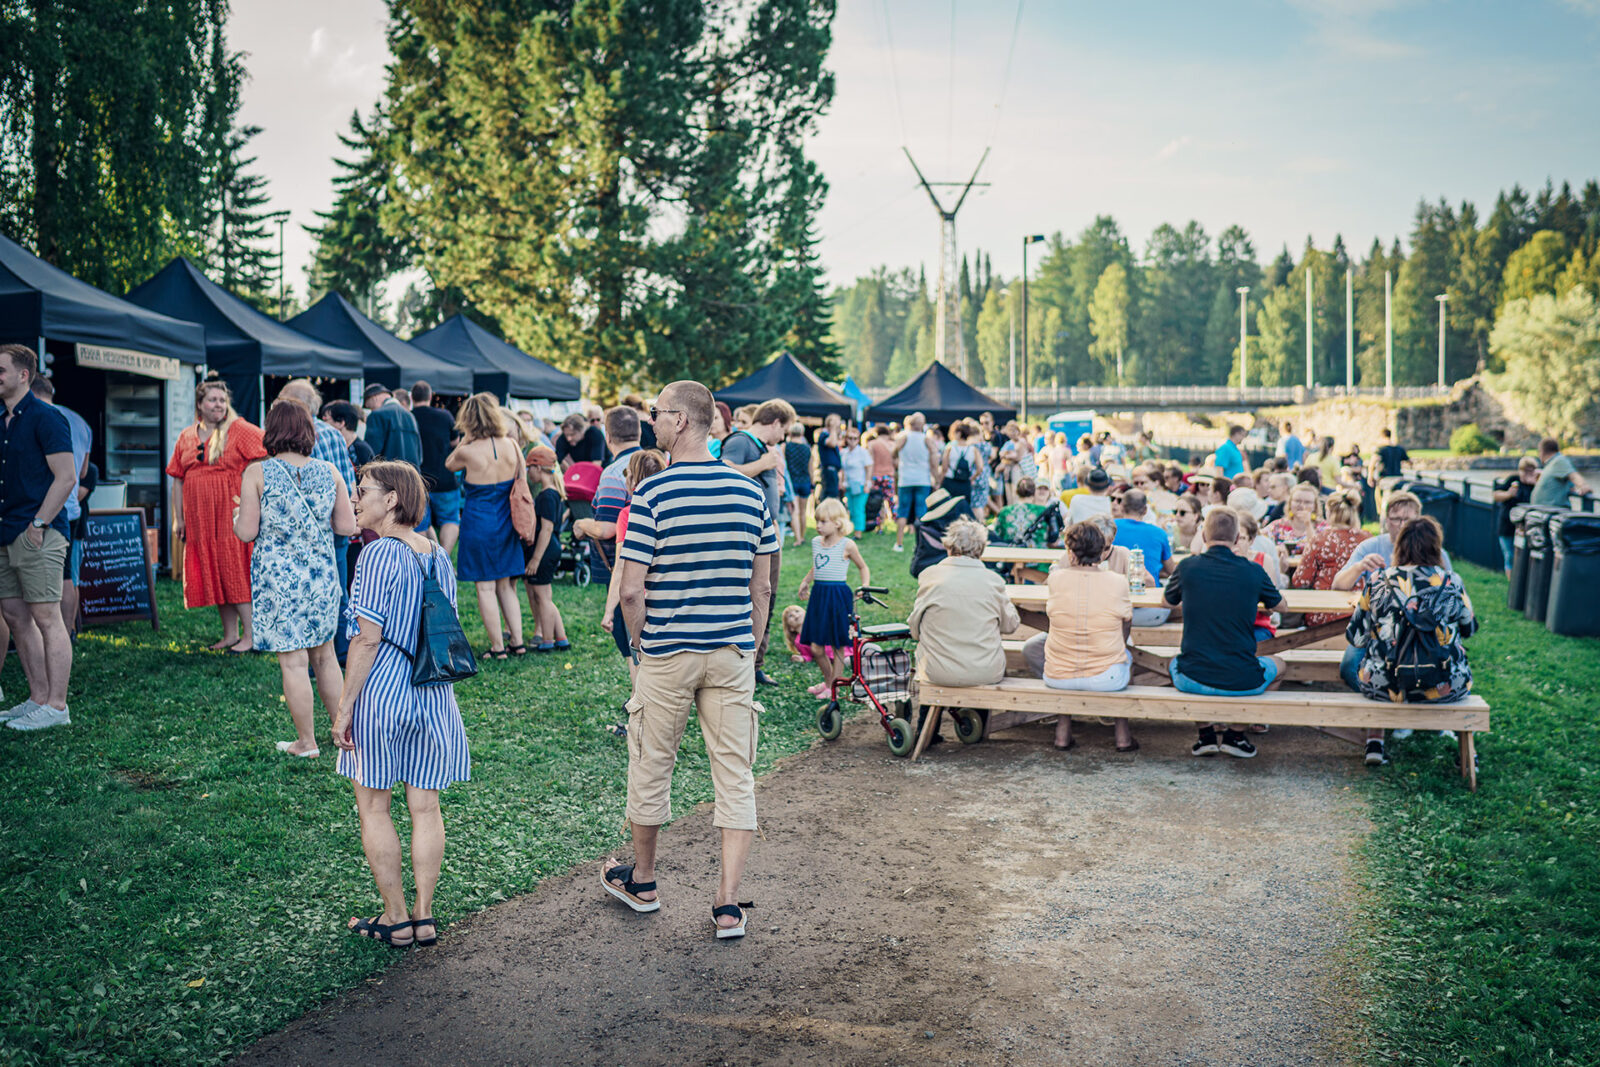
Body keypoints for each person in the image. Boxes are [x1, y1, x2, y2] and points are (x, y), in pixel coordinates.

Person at [604, 380, 777, 939]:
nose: (650, 421)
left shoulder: (652, 495)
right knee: (735, 774)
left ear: (680, 421)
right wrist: (751, 644)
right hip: (730, 653)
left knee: (652, 764)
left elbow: (632, 591)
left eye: (656, 413)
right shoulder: (751, 495)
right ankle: (727, 904)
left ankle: (646, 881)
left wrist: (639, 644)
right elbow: (763, 587)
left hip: (668, 652)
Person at [334, 460, 471, 948]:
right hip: (435, 694)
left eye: (362, 490)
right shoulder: (437, 554)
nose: (354, 498)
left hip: (386, 690)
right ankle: (425, 915)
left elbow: (366, 639)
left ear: (391, 499)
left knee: (374, 806)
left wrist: (346, 705)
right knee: (426, 807)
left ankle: (394, 918)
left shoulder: (375, 556)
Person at [233, 400, 357, 758]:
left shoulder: (258, 473)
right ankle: (342, 734)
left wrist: (237, 518)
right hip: (320, 575)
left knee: (293, 661)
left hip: (278, 579)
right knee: (326, 657)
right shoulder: (330, 471)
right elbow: (347, 527)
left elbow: (246, 532)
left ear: (272, 431)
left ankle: (306, 742)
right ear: (308, 431)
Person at [1343, 516, 1478, 766]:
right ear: (1436, 548)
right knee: (1459, 669)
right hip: (1444, 686)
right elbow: (1469, 627)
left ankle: (1376, 741)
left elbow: (1357, 637)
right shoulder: (1451, 581)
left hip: (1384, 686)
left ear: (1399, 546)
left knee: (1371, 667)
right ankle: (1469, 757)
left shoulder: (1378, 580)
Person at [1162, 507, 1286, 758]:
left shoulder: (1188, 567)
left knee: (1171, 662)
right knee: (1280, 664)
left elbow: (1167, 602)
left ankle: (1205, 734)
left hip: (1192, 677)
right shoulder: (1253, 570)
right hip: (1243, 679)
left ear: (1204, 537)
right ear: (1237, 537)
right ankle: (1236, 735)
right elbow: (1281, 606)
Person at [0, 345, 77, 732]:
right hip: (4, 531)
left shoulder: (48, 418)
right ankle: (37, 699)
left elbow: (66, 477)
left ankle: (58, 707)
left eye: (0, 370)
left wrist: (38, 524)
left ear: (23, 375)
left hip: (38, 533)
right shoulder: (2, 419)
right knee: (16, 617)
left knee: (47, 617)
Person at [166, 377, 266, 653]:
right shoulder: (187, 435)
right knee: (215, 571)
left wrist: (250, 486)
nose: (219, 405)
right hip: (200, 519)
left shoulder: (239, 429)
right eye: (213, 399)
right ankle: (230, 634)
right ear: (200, 404)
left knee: (233, 569)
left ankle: (252, 634)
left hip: (229, 515)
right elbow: (177, 477)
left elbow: (267, 453)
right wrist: (179, 518)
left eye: (223, 400)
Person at [1018, 521, 1136, 751]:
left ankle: (1062, 734)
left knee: (1063, 654)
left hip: (1057, 676)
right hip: (1107, 678)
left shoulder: (1056, 579)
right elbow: (1126, 623)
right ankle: (1123, 736)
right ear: (1102, 552)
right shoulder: (1117, 582)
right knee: (1127, 656)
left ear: (1070, 552)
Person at [907, 517, 1020, 742]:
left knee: (931, 656)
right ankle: (976, 728)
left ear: (948, 546)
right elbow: (1011, 625)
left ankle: (926, 731)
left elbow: (914, 628)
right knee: (983, 660)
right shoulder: (993, 581)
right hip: (984, 670)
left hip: (936, 669)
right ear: (981, 550)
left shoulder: (929, 577)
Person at [720, 398, 795, 687]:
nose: (783, 437)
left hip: (765, 533)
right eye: (784, 430)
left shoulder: (760, 446)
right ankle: (743, 664)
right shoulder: (742, 441)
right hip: (747, 536)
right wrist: (763, 464)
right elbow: (724, 473)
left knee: (767, 597)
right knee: (757, 597)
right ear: (775, 422)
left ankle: (755, 664)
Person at [446, 393, 526, 659]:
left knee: (485, 587)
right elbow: (521, 477)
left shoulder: (467, 451)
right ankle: (518, 641)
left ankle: (497, 647)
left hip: (478, 521)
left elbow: (449, 464)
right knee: (505, 585)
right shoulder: (512, 446)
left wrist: (467, 439)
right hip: (506, 521)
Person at [27, 376, 91, 632]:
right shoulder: (80, 421)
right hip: (72, 508)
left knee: (37, 579)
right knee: (68, 576)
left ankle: (45, 633)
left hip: (47, 507)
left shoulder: (36, 417)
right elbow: (84, 470)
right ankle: (68, 631)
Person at [796, 498, 870, 699]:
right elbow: (818, 565)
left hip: (838, 596)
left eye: (823, 522)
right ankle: (829, 681)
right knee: (816, 647)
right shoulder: (815, 543)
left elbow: (863, 567)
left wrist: (864, 586)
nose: (818, 526)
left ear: (837, 523)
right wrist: (806, 581)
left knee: (838, 644)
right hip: (819, 596)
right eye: (817, 521)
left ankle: (834, 687)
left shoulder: (848, 545)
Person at [1332, 490, 1454, 590]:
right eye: (1396, 519)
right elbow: (1337, 585)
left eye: (1407, 520)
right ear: (1386, 521)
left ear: (1418, 521)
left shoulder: (1436, 552)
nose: (1402, 525)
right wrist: (1359, 567)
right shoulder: (1370, 547)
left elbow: (1451, 588)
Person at [574, 406, 644, 573]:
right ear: (639, 432)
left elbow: (606, 529)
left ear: (608, 437)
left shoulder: (613, 473)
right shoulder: (653, 462)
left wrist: (581, 524)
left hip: (621, 563)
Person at [1292, 489, 1368, 626]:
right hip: (1360, 613)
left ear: (1329, 512)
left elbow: (1300, 580)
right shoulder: (1367, 539)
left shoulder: (1320, 539)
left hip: (1323, 612)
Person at [520, 445, 568, 653]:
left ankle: (547, 639)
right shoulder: (553, 493)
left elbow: (546, 530)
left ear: (538, 468)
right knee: (546, 597)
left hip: (546, 550)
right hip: (550, 548)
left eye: (529, 468)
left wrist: (535, 559)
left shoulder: (547, 495)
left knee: (542, 598)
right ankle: (561, 637)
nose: (528, 473)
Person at [410, 382, 461, 553]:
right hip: (445, 477)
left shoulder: (409, 416)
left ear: (412, 397)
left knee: (421, 524)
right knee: (450, 520)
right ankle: (444, 557)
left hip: (419, 479)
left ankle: (427, 562)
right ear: (430, 396)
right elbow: (455, 442)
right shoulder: (445, 416)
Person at [893, 412, 939, 552]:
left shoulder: (903, 438)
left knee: (903, 511)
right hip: (922, 479)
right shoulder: (927, 440)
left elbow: (893, 453)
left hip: (905, 479)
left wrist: (898, 463)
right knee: (922, 513)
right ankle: (921, 544)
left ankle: (899, 543)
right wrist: (936, 479)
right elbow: (934, 461)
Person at [1492, 456, 1541, 573]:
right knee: (1510, 555)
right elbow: (1496, 495)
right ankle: (1512, 586)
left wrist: (1537, 483)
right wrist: (1508, 494)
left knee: (1526, 558)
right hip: (1508, 526)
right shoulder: (1513, 480)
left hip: (1527, 527)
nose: (1528, 474)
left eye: (1531, 470)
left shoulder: (1537, 484)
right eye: (1525, 470)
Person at [1263, 483, 1326, 572]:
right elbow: (1260, 540)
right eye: (1297, 501)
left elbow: (1319, 552)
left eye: (1307, 502)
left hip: (1313, 573)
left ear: (1314, 506)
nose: (1302, 505)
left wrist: (1308, 524)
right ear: (1290, 503)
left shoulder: (1324, 528)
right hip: (1283, 571)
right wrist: (1275, 550)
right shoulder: (1277, 526)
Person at [362, 384, 422, 468]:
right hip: (411, 476)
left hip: (387, 476)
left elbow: (371, 455)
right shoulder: (410, 416)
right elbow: (419, 457)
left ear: (374, 398)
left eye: (370, 407)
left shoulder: (376, 415)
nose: (371, 410)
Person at [1531, 436, 1592, 506]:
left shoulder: (1559, 460)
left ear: (1542, 451)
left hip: (1553, 513)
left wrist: (1583, 485)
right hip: (1544, 512)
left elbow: (1573, 476)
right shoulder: (1552, 464)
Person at [783, 424, 814, 546]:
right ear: (802, 433)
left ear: (789, 433)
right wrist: (812, 482)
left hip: (792, 481)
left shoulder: (786, 447)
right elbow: (810, 468)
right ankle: (802, 535)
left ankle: (798, 538)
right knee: (803, 511)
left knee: (794, 511)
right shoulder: (807, 449)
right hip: (805, 481)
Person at [839, 425, 871, 534]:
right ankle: (852, 529)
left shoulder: (862, 452)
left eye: (855, 438)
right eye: (850, 438)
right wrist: (841, 482)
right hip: (848, 484)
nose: (852, 441)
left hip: (860, 484)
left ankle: (858, 532)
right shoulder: (844, 452)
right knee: (851, 509)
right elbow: (843, 469)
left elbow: (869, 468)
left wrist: (867, 483)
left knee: (858, 509)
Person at [866, 425, 897, 531]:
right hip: (889, 475)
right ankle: (898, 522)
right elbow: (896, 462)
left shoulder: (872, 444)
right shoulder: (892, 445)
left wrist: (868, 479)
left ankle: (879, 526)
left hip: (876, 475)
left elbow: (870, 461)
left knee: (877, 502)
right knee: (891, 501)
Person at [816, 413, 844, 501]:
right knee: (830, 495)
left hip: (833, 471)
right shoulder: (824, 435)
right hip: (829, 470)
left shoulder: (829, 435)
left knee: (833, 494)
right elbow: (832, 443)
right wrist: (833, 429)